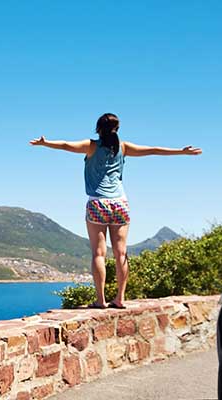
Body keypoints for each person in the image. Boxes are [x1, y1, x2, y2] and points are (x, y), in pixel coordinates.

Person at [30, 113, 202, 308]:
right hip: (120, 203)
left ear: (98, 128)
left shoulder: (91, 146)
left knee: (98, 253)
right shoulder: (124, 147)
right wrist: (181, 152)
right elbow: (153, 150)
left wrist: (46, 143)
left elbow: (65, 145)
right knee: (121, 253)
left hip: (98, 203)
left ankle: (101, 300)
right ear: (117, 129)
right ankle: (120, 298)